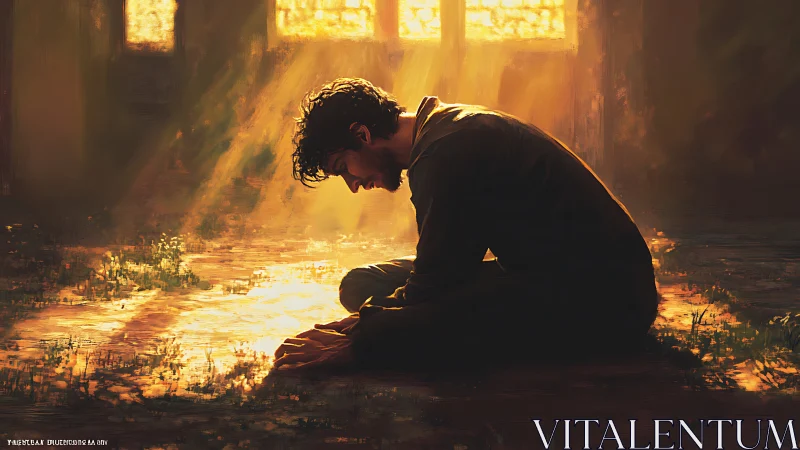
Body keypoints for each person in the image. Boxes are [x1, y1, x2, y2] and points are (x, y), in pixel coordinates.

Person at [273, 78, 659, 372]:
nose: (353, 185)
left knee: (389, 330)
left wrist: (365, 335)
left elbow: (437, 284)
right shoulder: (441, 130)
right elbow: (442, 271)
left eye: (344, 168)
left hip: (602, 299)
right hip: (542, 274)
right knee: (361, 284)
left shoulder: (445, 152)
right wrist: (375, 314)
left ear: (362, 135)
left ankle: (377, 338)